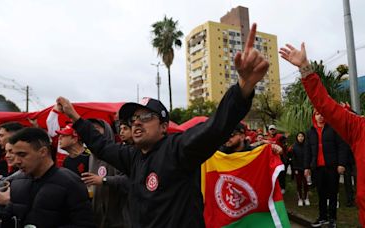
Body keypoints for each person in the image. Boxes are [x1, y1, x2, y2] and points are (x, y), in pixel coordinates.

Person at [56, 23, 268, 227]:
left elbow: (215, 128)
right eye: (133, 119)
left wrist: (242, 88)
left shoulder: (179, 150)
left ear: (164, 126)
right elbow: (101, 146)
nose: (137, 122)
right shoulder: (132, 157)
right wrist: (75, 118)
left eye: (146, 117)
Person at [279, 43, 360, 227]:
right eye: (317, 113)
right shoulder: (313, 131)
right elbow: (323, 102)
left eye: (321, 113)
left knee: (332, 194)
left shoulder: (336, 129)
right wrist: (305, 68)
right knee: (322, 195)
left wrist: (340, 163)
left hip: (332, 167)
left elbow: (340, 146)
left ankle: (332, 218)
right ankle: (322, 217)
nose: (321, 115)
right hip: (319, 168)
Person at [0, 127, 95, 227]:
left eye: (22, 155)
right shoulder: (17, 182)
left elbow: (85, 224)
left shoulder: (71, 183)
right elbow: (9, 219)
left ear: (43, 152)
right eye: (15, 155)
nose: (17, 161)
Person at [81, 118, 130, 228]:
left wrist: (103, 180)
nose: (93, 132)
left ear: (107, 131)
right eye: (91, 129)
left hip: (118, 219)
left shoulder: (118, 153)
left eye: (96, 129)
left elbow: (128, 181)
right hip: (98, 217)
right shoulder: (91, 157)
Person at [266, 124, 288, 194]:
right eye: (271, 129)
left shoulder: (280, 137)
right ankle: (275, 188)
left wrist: (284, 143)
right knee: (274, 174)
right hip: (272, 159)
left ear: (275, 130)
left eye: (273, 129)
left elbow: (284, 141)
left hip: (280, 158)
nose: (272, 131)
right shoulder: (267, 139)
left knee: (281, 173)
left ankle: (282, 187)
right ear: (269, 131)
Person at [291, 132, 310, 207]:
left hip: (306, 168)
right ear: (297, 137)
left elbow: (308, 157)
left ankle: (306, 198)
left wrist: (308, 167)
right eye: (299, 136)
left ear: (304, 137)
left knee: (306, 184)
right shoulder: (294, 146)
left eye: (302, 136)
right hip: (297, 168)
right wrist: (295, 168)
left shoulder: (307, 146)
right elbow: (293, 158)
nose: (300, 138)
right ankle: (300, 199)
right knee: (299, 184)